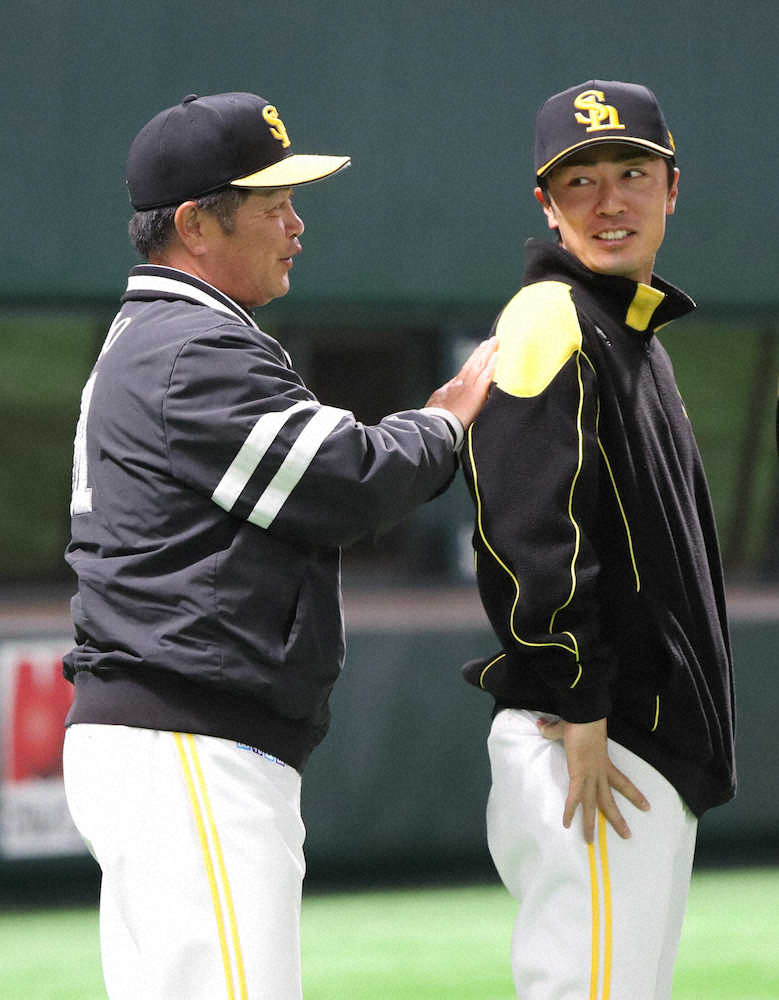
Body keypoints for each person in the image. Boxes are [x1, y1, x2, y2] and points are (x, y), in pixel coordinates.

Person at [61, 91, 496, 1000]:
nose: (297, 226)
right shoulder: (191, 348)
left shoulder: (161, 339)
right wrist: (449, 416)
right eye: (273, 206)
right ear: (194, 224)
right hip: (187, 741)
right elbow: (349, 479)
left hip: (170, 739)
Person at [462, 80, 735, 1000]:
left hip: (626, 736)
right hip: (595, 740)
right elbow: (527, 527)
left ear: (671, 186)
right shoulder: (551, 315)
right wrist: (583, 708)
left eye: (631, 171)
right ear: (545, 203)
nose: (608, 199)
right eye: (577, 181)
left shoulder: (627, 329)